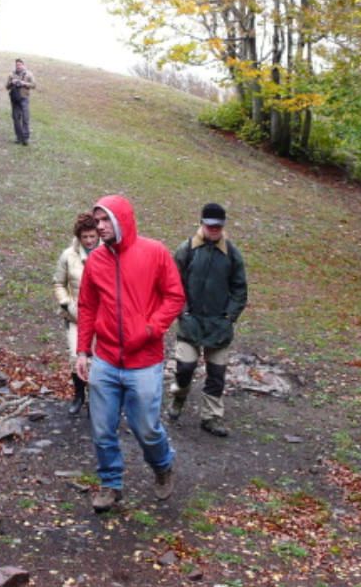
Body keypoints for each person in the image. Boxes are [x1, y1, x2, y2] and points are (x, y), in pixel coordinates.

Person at [74, 194, 186, 512]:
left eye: (106, 219)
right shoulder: (96, 260)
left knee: (146, 428)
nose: (100, 226)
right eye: (97, 220)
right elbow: (87, 306)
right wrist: (83, 351)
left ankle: (163, 465)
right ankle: (110, 483)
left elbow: (174, 296)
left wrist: (151, 329)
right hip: (106, 359)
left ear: (123, 220)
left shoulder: (154, 253)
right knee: (102, 427)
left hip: (144, 361)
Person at [168, 202, 248, 438]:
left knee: (216, 374)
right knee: (184, 368)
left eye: (218, 226)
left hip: (219, 326)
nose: (214, 229)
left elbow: (240, 289)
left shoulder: (232, 254)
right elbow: (173, 283)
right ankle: (178, 397)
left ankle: (211, 417)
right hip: (190, 322)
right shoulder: (186, 250)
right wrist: (182, 312)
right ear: (201, 223)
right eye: (210, 225)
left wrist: (229, 316)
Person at [53, 212, 101, 415]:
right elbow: (58, 283)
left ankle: (95, 401)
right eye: (85, 237)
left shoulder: (108, 252)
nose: (89, 241)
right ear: (78, 237)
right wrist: (65, 303)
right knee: (76, 357)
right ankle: (79, 395)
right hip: (76, 317)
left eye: (93, 236)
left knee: (98, 360)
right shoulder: (68, 256)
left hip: (101, 317)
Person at [5, 57, 36, 145]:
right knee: (16, 118)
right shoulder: (11, 74)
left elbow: (34, 85)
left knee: (25, 118)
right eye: (17, 65)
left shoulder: (29, 74)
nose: (18, 66)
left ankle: (25, 138)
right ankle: (18, 137)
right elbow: (6, 87)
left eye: (20, 64)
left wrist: (23, 83)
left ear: (23, 65)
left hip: (24, 98)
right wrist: (12, 83)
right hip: (14, 99)